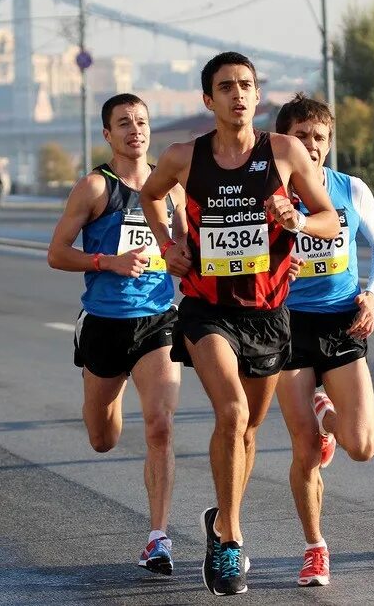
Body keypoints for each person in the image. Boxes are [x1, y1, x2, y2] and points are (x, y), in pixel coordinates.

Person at [140, 52, 340, 596]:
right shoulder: (185, 156)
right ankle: (230, 542)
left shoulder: (284, 151)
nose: (238, 94)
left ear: (256, 95)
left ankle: (221, 520)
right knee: (229, 411)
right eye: (226, 87)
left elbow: (327, 219)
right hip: (207, 309)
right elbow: (149, 193)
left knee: (249, 429)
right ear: (209, 99)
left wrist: (297, 219)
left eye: (246, 85)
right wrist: (168, 245)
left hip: (268, 312)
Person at [47, 93, 185, 576]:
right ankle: (112, 397)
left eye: (142, 122)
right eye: (124, 123)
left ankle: (158, 537)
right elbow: (57, 253)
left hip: (157, 320)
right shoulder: (94, 188)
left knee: (161, 425)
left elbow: (187, 246)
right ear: (108, 134)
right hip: (104, 323)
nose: (135, 130)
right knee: (102, 438)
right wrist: (107, 261)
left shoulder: (171, 189)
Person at [271, 94, 374, 587]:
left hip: (342, 321)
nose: (312, 145)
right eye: (301, 136)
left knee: (361, 446)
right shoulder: (265, 193)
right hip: (285, 326)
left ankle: (328, 413)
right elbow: (235, 259)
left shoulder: (349, 189)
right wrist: (277, 266)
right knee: (304, 449)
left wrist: (371, 297)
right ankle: (315, 547)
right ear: (283, 142)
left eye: (319, 137)